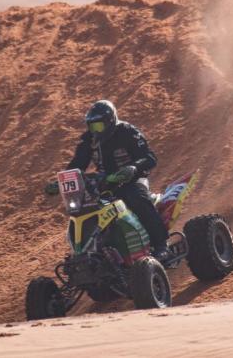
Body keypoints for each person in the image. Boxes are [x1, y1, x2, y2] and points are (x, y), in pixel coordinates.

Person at [62, 100, 171, 262]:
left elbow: (149, 157)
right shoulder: (89, 141)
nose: (95, 131)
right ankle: (89, 254)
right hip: (105, 184)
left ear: (110, 121)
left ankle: (162, 245)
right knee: (85, 210)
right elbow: (77, 165)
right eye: (92, 127)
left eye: (98, 126)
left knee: (137, 198)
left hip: (133, 180)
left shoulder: (127, 132)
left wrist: (133, 167)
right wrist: (61, 181)